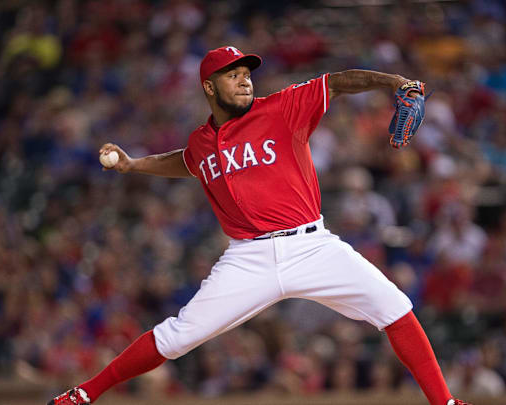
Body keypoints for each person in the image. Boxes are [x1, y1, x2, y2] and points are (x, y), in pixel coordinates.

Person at [49, 46, 471, 405]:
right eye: (232, 75)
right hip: (247, 258)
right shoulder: (201, 141)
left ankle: (446, 402)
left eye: (246, 73)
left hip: (313, 246)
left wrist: (395, 81)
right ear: (209, 87)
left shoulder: (282, 107)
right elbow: (188, 161)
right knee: (177, 338)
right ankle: (83, 395)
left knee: (395, 308)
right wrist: (134, 164)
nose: (244, 80)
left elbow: (339, 81)